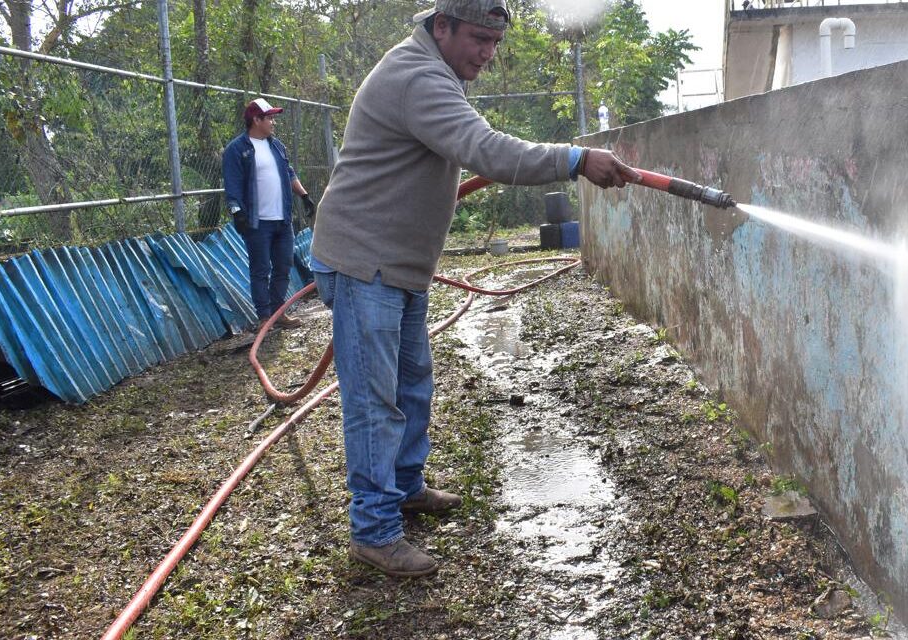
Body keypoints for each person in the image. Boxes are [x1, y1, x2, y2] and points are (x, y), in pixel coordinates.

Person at [310, 0, 640, 577]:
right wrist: (575, 158)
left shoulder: (436, 72)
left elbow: (468, 147)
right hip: (366, 264)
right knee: (373, 403)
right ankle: (374, 531)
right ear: (441, 27)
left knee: (412, 386)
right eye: (479, 39)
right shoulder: (418, 78)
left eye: (495, 43)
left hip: (398, 265)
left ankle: (405, 487)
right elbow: (485, 149)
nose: (487, 54)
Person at [222, 98, 317, 330]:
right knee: (261, 269)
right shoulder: (237, 149)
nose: (274, 122)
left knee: (284, 265)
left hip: (282, 220)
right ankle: (265, 317)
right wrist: (237, 212)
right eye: (270, 118)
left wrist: (304, 196)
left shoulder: (276, 146)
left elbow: (289, 173)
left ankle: (278, 312)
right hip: (257, 222)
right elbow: (232, 184)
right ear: (256, 120)